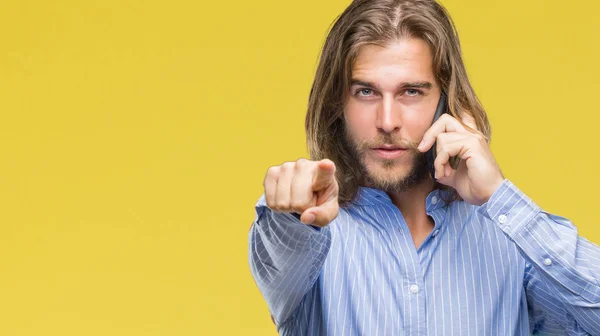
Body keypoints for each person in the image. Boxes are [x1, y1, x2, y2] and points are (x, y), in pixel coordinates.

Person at [247, 0, 600, 334]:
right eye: (365, 92)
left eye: (411, 92)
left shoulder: (509, 238)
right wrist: (291, 212)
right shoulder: (310, 231)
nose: (387, 121)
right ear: (338, 102)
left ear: (446, 100)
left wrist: (499, 196)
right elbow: (283, 245)